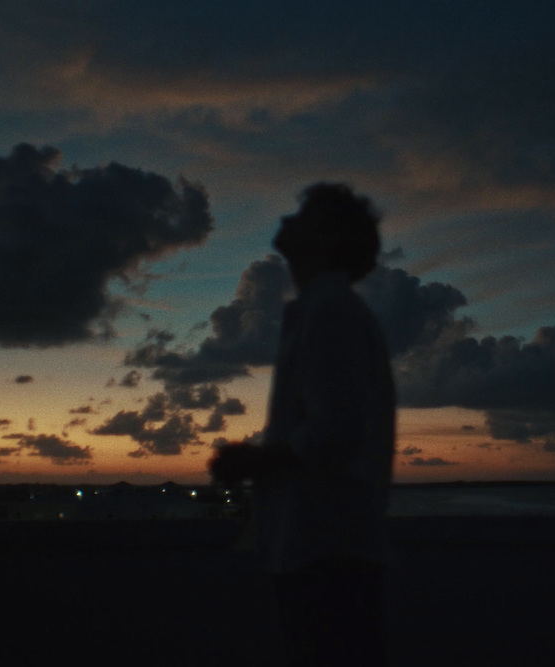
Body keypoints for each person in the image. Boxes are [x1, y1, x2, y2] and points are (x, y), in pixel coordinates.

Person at [209, 182, 396, 667]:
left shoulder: (330, 310)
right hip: (328, 552)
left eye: (304, 214)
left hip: (325, 555)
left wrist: (255, 460)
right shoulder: (327, 310)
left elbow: (337, 433)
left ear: (327, 238)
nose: (288, 220)